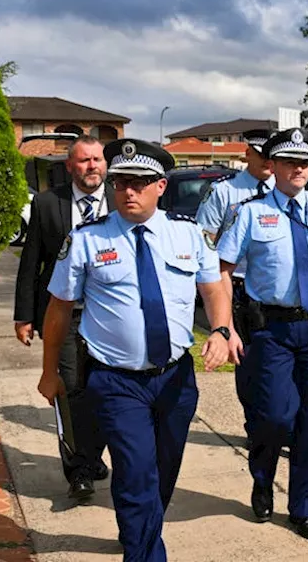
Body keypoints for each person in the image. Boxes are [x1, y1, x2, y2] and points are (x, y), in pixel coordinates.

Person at [40, 138, 232, 561]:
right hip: (115, 380)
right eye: (121, 181)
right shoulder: (88, 240)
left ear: (161, 186)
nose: (129, 190)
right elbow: (58, 309)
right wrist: (49, 370)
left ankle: (139, 531)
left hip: (175, 378)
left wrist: (220, 329)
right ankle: (146, 553)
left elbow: (214, 285)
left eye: (140, 182)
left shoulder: (187, 233)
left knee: (162, 472)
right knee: (135, 471)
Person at [216, 127, 308, 540]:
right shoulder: (248, 213)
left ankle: (305, 508)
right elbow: (223, 271)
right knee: (274, 417)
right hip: (271, 331)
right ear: (273, 167)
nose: (299, 168)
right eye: (290, 162)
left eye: (304, 162)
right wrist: (225, 326)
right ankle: (263, 477)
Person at [13, 134, 111, 501]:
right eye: (84, 161)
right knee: (69, 390)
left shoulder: (121, 202)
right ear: (70, 166)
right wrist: (24, 316)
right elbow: (31, 262)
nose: (92, 167)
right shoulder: (47, 203)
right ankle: (79, 471)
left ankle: (92, 455)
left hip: (109, 316)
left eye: (97, 160)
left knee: (104, 390)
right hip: (64, 314)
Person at [193, 128, 280, 456]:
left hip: (275, 290)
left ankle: (282, 426)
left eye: (274, 155)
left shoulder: (283, 191)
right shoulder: (225, 192)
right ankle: (256, 428)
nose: (270, 162)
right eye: (263, 155)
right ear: (248, 154)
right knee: (250, 367)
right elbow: (205, 242)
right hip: (239, 289)